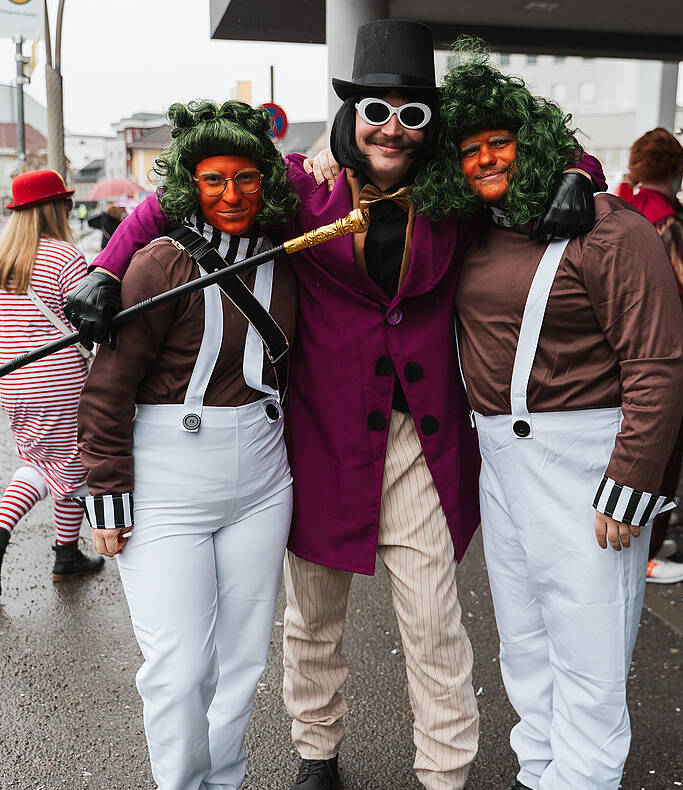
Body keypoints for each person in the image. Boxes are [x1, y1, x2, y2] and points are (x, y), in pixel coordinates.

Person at [64, 21, 605, 790]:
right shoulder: (300, 188)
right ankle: (317, 755)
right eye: (374, 111)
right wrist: (107, 270)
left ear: (429, 125)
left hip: (420, 436)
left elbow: (539, 154)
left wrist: (583, 175)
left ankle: (444, 773)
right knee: (312, 620)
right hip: (318, 438)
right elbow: (178, 193)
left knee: (433, 622)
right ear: (350, 115)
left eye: (411, 113)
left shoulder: (453, 193)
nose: (392, 128)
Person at [419, 47, 683, 790]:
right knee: (526, 642)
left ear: (534, 141)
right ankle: (540, 773)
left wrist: (630, 481)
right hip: (503, 463)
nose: (481, 160)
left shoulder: (611, 229)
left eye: (496, 142)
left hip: (583, 460)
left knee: (590, 652)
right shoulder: (476, 229)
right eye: (468, 150)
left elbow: (658, 361)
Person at [77, 100, 299, 790]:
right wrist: (107, 495)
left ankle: (223, 782)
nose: (231, 195)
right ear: (189, 188)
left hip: (263, 480)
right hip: (167, 480)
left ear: (267, 181)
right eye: (212, 181)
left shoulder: (288, 262)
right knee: (178, 667)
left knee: (241, 663)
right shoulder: (158, 263)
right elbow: (108, 385)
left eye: (245, 178)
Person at [622, 128, 683, 582]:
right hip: (667, 345)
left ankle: (642, 537)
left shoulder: (625, 205)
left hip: (626, 343)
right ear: (677, 169)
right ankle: (647, 551)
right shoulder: (668, 218)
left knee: (635, 442)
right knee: (666, 447)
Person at [0, 169, 103, 596]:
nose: (67, 208)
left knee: (52, 462)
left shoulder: (4, 259)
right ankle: (21, 536)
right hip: (60, 382)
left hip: (14, 383)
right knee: (61, 466)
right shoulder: (65, 256)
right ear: (53, 208)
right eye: (64, 202)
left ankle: (66, 553)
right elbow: (89, 322)